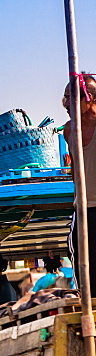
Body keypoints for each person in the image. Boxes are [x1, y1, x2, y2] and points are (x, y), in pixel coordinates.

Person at [64, 73, 96, 286]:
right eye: (64, 97)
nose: (66, 103)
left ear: (89, 98)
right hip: (85, 211)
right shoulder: (69, 130)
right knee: (87, 278)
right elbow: (75, 170)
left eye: (71, 97)